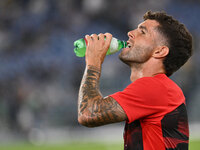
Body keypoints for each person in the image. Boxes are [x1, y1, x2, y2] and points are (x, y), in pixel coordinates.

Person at [77, 11, 193, 150]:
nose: (130, 33)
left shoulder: (156, 87)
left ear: (159, 51)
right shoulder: (159, 89)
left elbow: (89, 113)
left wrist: (93, 62)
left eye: (142, 32)